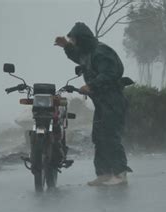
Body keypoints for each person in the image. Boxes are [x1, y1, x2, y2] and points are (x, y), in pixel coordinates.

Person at [54, 22, 132, 186]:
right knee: (99, 137)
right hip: (101, 102)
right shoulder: (87, 52)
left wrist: (91, 85)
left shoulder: (101, 51)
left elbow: (110, 73)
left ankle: (120, 174)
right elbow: (77, 56)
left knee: (110, 137)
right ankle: (104, 174)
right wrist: (66, 46)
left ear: (82, 39)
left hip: (113, 100)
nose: (74, 43)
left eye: (74, 40)